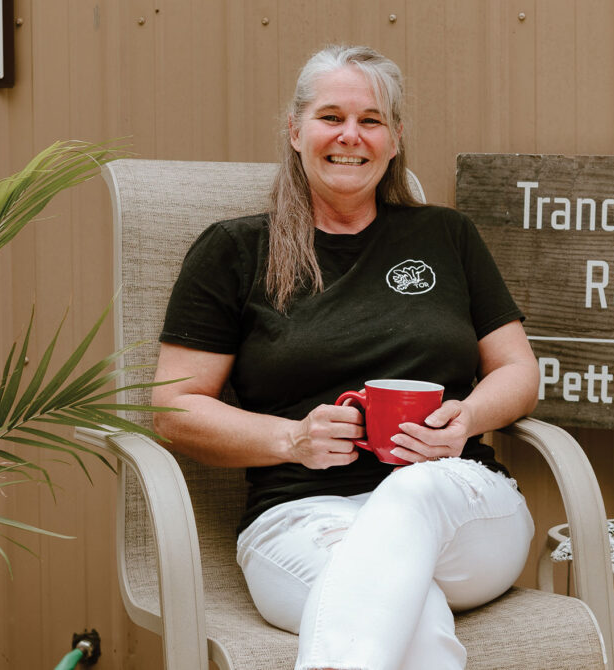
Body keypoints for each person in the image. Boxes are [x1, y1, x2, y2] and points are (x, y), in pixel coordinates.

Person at [152, 44, 539, 670]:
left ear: (394, 139)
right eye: (331, 116)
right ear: (296, 129)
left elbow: (518, 371)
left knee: (410, 496)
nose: (350, 136)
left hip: (458, 505)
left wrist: (464, 421)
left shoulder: (445, 235)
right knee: (411, 618)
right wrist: (292, 440)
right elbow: (173, 409)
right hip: (303, 517)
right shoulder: (235, 250)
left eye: (372, 119)